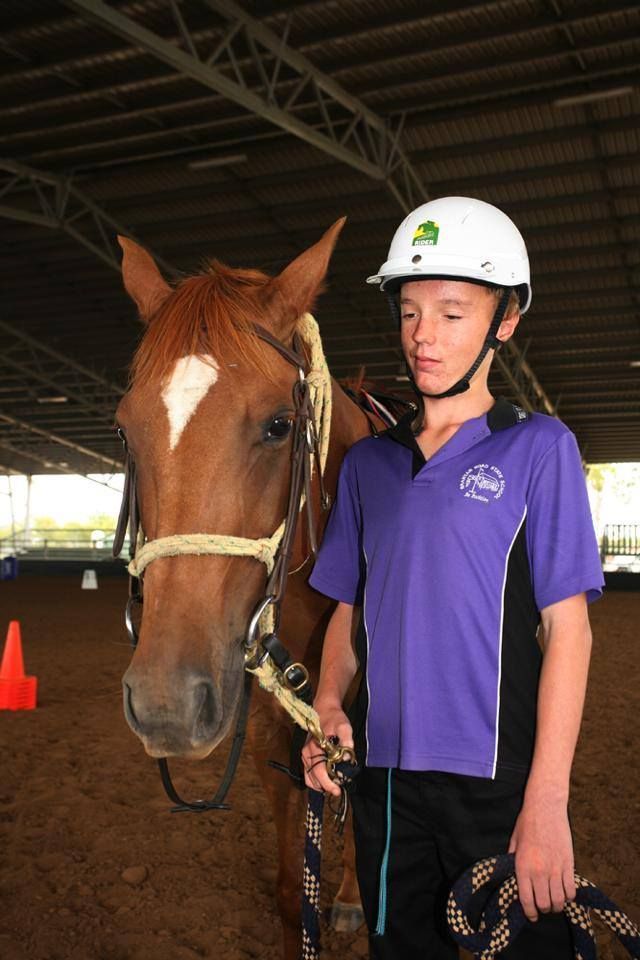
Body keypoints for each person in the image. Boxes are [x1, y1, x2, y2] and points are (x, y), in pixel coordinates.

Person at [302, 196, 605, 959]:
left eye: (451, 313)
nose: (422, 337)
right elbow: (348, 613)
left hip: (500, 787)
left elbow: (568, 630)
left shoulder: (540, 449)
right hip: (388, 784)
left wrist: (546, 802)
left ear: (504, 320)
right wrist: (330, 703)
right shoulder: (368, 466)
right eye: (409, 313)